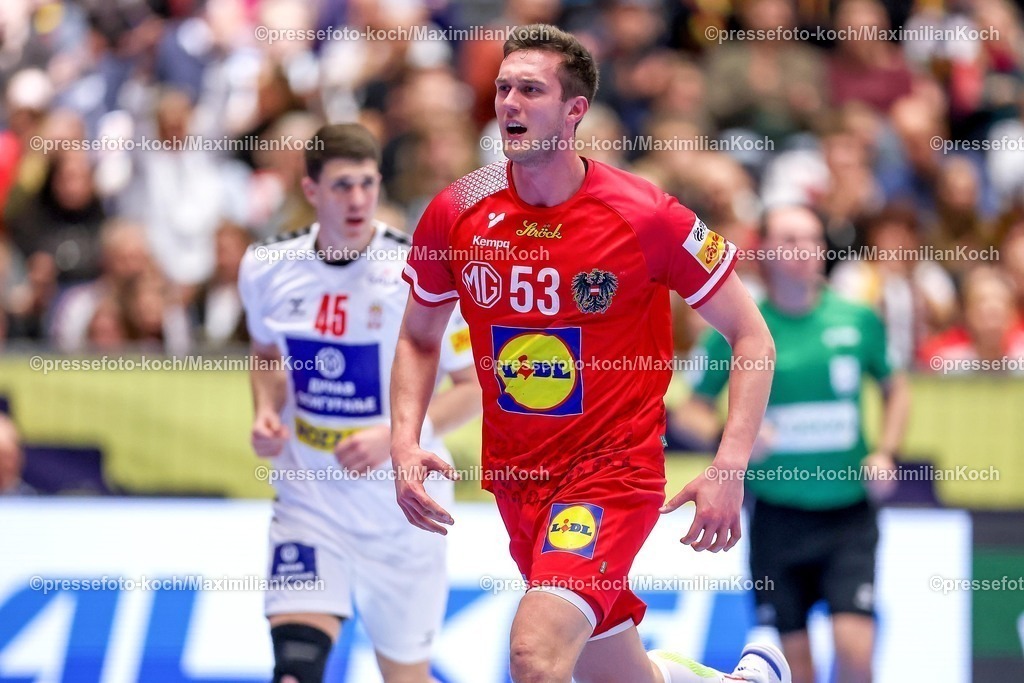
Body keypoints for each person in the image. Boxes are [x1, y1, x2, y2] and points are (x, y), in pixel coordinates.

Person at [391, 25, 787, 683]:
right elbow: (417, 335)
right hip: (518, 478)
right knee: (615, 674)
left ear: (575, 110)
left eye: (531, 90)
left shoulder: (645, 215)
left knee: (534, 654)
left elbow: (752, 336)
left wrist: (729, 464)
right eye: (503, 89)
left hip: (612, 473)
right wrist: (405, 440)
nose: (510, 103)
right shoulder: (456, 209)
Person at [238, 123, 481, 683]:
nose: (357, 200)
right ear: (311, 191)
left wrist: (394, 439)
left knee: (405, 676)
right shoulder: (266, 266)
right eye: (342, 186)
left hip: (402, 514)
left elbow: (476, 388)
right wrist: (265, 410)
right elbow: (267, 354)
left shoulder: (418, 273)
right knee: (294, 671)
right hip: (310, 502)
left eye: (367, 185)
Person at [671, 206, 911, 683]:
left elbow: (895, 387)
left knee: (855, 653)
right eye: (789, 239)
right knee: (795, 668)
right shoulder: (738, 327)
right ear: (764, 251)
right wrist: (733, 437)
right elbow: (689, 412)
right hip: (777, 518)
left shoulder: (858, 320)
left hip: (848, 516)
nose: (802, 249)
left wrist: (885, 451)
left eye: (811, 238)